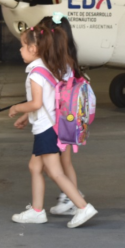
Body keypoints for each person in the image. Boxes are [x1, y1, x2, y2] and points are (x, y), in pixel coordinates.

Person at [8, 23, 97, 228]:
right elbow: (47, 102)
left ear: (33, 49)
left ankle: (83, 207)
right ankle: (37, 211)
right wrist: (27, 117)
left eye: (22, 46)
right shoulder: (46, 68)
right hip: (50, 127)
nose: (20, 50)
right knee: (34, 166)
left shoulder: (35, 74)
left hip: (46, 130)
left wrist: (18, 108)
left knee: (55, 172)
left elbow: (37, 103)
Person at [38, 14, 85, 216]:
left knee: (57, 164)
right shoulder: (68, 60)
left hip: (61, 120)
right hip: (68, 119)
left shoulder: (58, 63)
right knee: (62, 163)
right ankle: (71, 196)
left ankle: (72, 198)